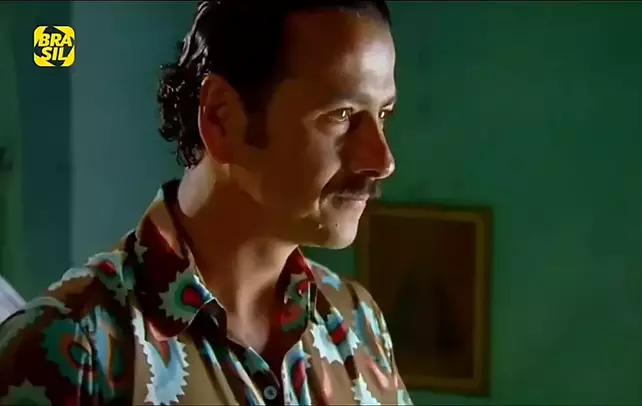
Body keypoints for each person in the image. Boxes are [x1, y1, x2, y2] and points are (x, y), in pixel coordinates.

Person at [0, 0, 411, 404]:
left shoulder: (358, 322)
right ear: (221, 117)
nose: (383, 161)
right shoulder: (72, 350)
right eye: (342, 115)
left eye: (383, 115)